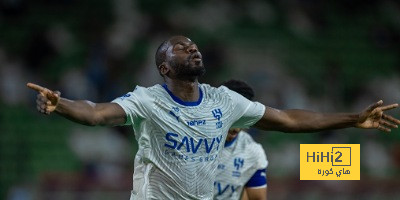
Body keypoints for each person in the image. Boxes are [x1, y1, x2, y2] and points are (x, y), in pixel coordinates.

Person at [27, 35, 400, 200]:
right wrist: (62, 105)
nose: (192, 48)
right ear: (164, 67)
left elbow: (287, 119)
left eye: (194, 45)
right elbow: (97, 113)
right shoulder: (147, 101)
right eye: (181, 47)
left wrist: (353, 119)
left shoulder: (225, 102)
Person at [214, 79, 268, 200]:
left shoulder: (252, 151)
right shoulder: (191, 138)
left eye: (243, 119)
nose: (236, 129)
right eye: (233, 117)